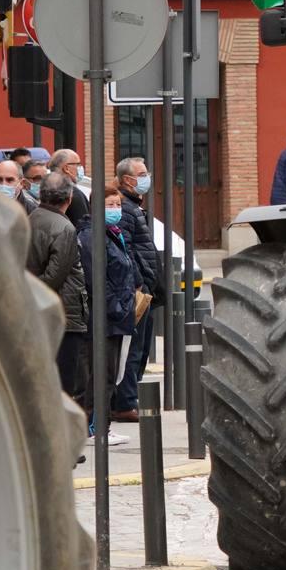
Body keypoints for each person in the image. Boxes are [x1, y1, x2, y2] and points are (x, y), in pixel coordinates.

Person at [77, 180, 139, 447]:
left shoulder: (113, 233)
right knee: (101, 375)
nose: (115, 209)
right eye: (109, 205)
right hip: (105, 318)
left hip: (117, 316)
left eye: (118, 205)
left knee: (112, 373)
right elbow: (97, 279)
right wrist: (117, 307)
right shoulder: (93, 236)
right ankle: (95, 427)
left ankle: (103, 426)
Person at [26, 172, 90, 408]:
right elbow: (56, 275)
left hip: (40, 311)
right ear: (69, 197)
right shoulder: (64, 228)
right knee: (66, 379)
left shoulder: (31, 218)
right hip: (64, 313)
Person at [112, 156, 160, 422]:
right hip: (136, 290)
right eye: (141, 174)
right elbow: (127, 249)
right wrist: (141, 281)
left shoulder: (133, 207)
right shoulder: (127, 210)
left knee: (139, 348)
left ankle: (129, 398)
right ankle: (126, 403)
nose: (146, 178)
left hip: (143, 287)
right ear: (127, 180)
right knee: (132, 349)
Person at [48, 149, 89, 226]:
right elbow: (83, 228)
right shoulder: (73, 193)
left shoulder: (47, 190)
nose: (80, 168)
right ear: (66, 168)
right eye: (78, 164)